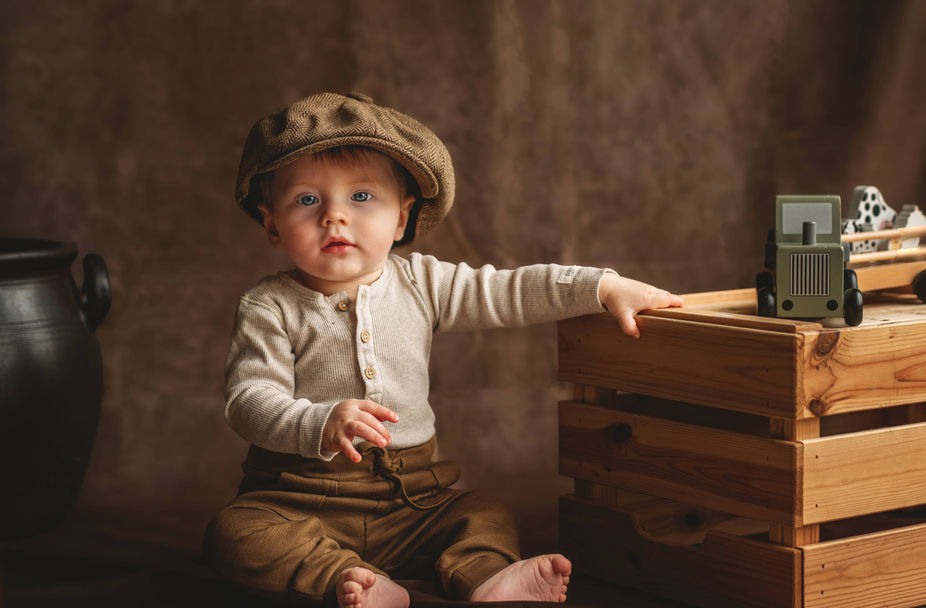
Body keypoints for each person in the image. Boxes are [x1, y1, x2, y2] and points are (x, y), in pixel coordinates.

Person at [204, 92, 683, 608]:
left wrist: (600, 286)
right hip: (302, 499)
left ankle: (485, 576)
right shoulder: (269, 305)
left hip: (413, 500)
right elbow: (249, 399)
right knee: (237, 533)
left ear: (402, 217)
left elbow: (510, 290)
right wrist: (318, 421)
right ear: (272, 222)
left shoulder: (423, 283)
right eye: (306, 200)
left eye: (361, 197)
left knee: (483, 512)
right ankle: (345, 576)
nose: (334, 216)